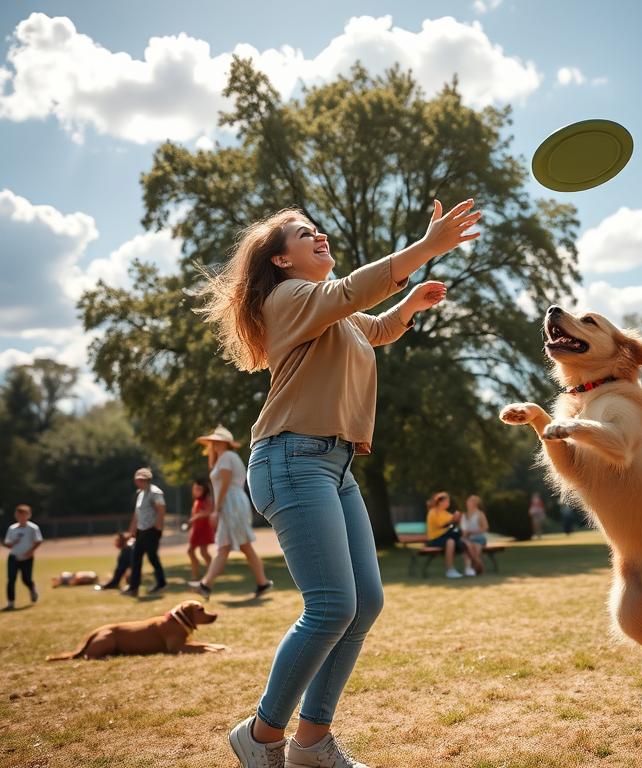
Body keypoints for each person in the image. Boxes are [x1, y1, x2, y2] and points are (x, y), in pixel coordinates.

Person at [196, 198, 480, 768]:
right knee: (330, 605)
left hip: (334, 464)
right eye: (305, 234)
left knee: (364, 602)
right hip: (292, 457)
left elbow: (369, 327)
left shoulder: (328, 312)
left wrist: (408, 305)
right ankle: (262, 733)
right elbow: (351, 293)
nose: (319, 235)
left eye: (318, 229)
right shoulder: (290, 299)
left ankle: (311, 744)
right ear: (280, 261)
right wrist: (426, 248)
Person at [188, 426, 272, 600]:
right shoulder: (223, 458)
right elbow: (214, 470)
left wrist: (215, 511)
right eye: (211, 442)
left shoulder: (227, 457)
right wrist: (212, 452)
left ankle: (262, 583)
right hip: (229, 504)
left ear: (224, 442)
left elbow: (224, 485)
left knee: (243, 545)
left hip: (232, 504)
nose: (212, 444)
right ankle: (206, 585)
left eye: (215, 442)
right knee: (225, 547)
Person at [123, 468, 167, 598]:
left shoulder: (155, 492)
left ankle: (161, 583)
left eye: (141, 479)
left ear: (146, 479)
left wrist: (157, 527)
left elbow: (161, 509)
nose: (138, 481)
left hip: (151, 530)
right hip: (141, 530)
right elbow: (137, 514)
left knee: (152, 557)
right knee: (136, 557)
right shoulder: (140, 493)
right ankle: (133, 587)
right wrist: (132, 530)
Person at [426, 492, 481, 579]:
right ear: (440, 502)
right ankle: (450, 570)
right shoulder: (433, 512)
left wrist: (457, 519)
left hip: (445, 537)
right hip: (434, 539)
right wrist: (452, 520)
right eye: (447, 502)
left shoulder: (445, 513)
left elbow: (453, 526)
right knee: (451, 541)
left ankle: (468, 568)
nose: (449, 504)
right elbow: (441, 526)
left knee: (463, 542)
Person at [4, 504, 42, 610]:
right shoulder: (12, 528)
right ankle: (10, 603)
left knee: (26, 579)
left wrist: (31, 551)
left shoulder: (32, 528)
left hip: (27, 558)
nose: (21, 517)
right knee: (11, 580)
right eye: (19, 515)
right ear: (16, 515)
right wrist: (12, 543)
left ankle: (32, 589)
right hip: (14, 557)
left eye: (23, 515)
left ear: (28, 515)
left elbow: (39, 541)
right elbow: (7, 543)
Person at [186, 477, 216, 581]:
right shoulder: (197, 501)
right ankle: (196, 573)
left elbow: (208, 512)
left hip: (204, 529)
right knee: (190, 551)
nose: (195, 491)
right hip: (196, 529)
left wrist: (196, 517)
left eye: (198, 489)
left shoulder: (207, 499)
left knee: (204, 552)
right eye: (195, 489)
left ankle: (210, 573)